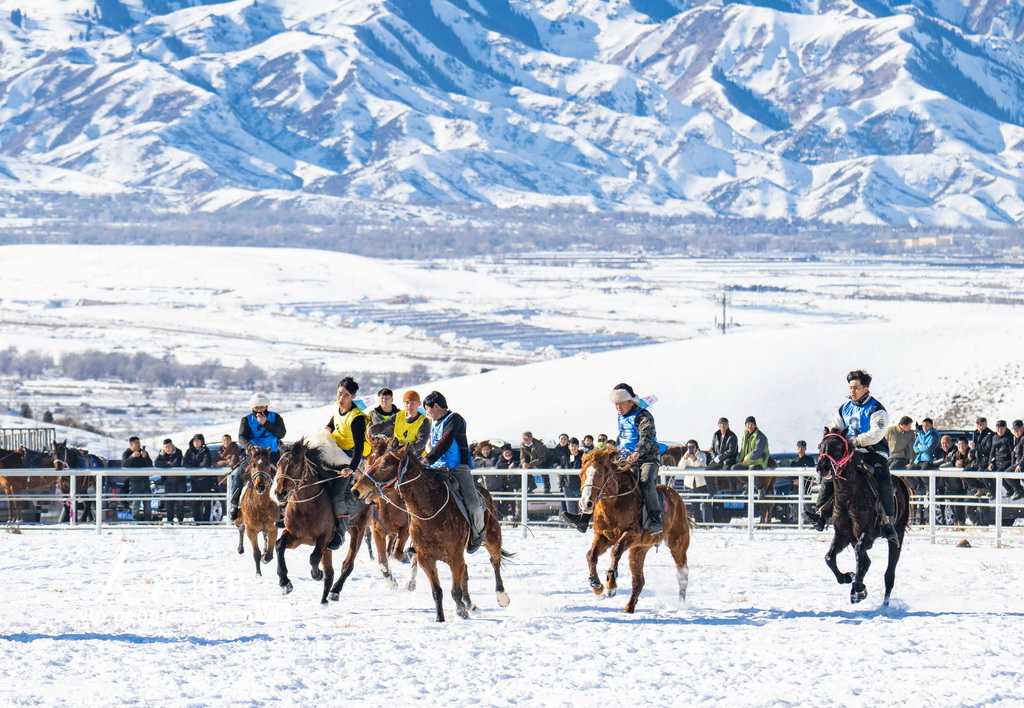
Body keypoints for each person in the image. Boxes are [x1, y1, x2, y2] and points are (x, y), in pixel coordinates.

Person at [806, 369, 898, 541]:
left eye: (856, 388)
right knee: (831, 474)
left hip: (873, 453)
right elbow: (835, 430)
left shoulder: (877, 409)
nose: (852, 392)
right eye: (850, 388)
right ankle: (821, 514)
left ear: (865, 389)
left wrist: (854, 442)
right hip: (849, 455)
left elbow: (876, 434)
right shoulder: (844, 409)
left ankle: (888, 522)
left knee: (883, 479)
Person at [563, 383, 662, 535]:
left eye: (621, 403)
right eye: (616, 404)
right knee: (602, 478)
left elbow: (646, 438)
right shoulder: (621, 417)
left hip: (647, 458)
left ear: (630, 402)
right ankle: (584, 518)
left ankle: (656, 520)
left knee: (646, 481)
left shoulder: (644, 416)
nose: (618, 407)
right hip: (624, 458)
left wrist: (636, 453)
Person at [423, 390, 484, 553]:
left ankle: (478, 532)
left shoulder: (454, 419)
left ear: (436, 406)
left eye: (428, 409)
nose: (428, 414)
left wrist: (428, 459)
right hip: (437, 466)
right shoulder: (434, 423)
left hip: (458, 468)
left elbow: (445, 441)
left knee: (473, 503)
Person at [324, 376, 371, 550]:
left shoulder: (357, 417)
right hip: (334, 449)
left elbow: (358, 448)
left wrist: (350, 469)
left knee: (337, 493)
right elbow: (330, 426)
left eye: (345, 395)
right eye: (339, 394)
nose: (341, 398)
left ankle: (339, 533)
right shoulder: (337, 408)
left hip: (349, 456)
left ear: (353, 397)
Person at [229, 392, 287, 521]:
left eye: (262, 407)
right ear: (253, 408)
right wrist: (250, 447)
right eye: (257, 407)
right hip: (254, 454)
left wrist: (265, 422)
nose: (260, 409)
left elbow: (281, 433)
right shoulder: (246, 419)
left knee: (283, 477)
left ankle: (284, 506)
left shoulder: (275, 417)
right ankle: (234, 504)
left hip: (272, 454)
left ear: (266, 406)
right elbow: (242, 437)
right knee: (239, 474)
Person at [732, 416, 771, 498]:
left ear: (755, 425)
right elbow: (743, 450)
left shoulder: (760, 436)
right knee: (734, 468)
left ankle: (760, 489)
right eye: (748, 424)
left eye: (751, 424)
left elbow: (758, 451)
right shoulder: (745, 435)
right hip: (749, 462)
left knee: (751, 471)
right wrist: (739, 460)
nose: (750, 426)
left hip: (759, 461)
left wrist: (747, 459)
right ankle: (748, 485)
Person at [184, 433, 215, 523]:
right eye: (194, 441)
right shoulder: (189, 451)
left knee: (207, 501)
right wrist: (194, 467)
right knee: (194, 502)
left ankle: (206, 521)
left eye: (198, 441)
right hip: (194, 480)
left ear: (202, 442)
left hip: (205, 479)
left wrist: (195, 467)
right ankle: (197, 520)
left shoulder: (206, 451)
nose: (196, 442)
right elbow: (184, 462)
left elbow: (206, 463)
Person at [121, 436, 153, 522]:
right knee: (136, 503)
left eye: (139, 443)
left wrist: (145, 457)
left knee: (147, 503)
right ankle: (136, 521)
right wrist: (132, 456)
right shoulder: (126, 453)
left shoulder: (143, 452)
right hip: (135, 481)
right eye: (136, 443)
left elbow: (150, 465)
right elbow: (124, 464)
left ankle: (148, 521)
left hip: (145, 480)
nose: (139, 445)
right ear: (131, 444)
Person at [155, 438, 185, 524]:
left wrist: (165, 463)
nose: (168, 449)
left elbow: (175, 463)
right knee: (169, 502)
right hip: (168, 481)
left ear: (172, 446)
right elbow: (156, 463)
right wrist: (167, 462)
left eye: (169, 447)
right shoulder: (162, 453)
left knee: (180, 502)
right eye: (166, 447)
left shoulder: (178, 452)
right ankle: (170, 520)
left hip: (179, 481)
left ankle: (180, 520)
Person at [707, 417, 739, 497]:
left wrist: (720, 458)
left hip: (728, 460)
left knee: (727, 471)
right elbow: (712, 448)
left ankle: (733, 491)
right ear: (718, 425)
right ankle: (712, 491)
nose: (723, 425)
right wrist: (714, 457)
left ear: (728, 425)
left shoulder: (732, 436)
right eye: (721, 423)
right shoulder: (716, 435)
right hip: (717, 460)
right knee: (707, 471)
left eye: (725, 423)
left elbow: (731, 451)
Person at [989, 420, 1022, 499]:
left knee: (1002, 473)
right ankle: (992, 491)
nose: (1000, 430)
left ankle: (1015, 489)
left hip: (1006, 460)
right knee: (987, 474)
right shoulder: (994, 437)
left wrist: (1013, 463)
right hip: (997, 460)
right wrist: (991, 462)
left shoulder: (1009, 437)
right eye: (998, 428)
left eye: (1002, 428)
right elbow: (992, 451)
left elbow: (1012, 452)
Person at [392, 390, 430, 455]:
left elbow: (422, 442)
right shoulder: (399, 415)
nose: (409, 406)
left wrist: (406, 449)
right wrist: (371, 430)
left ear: (418, 404)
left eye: (412, 403)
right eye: (407, 403)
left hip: (416, 455)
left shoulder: (424, 421)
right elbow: (383, 425)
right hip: (398, 452)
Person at [968, 417, 995, 497]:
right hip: (977, 459)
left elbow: (988, 449)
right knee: (965, 474)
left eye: (981, 424)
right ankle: (981, 487)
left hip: (985, 459)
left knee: (980, 475)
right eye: (978, 424)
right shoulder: (975, 433)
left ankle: (990, 489)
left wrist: (975, 447)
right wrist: (970, 452)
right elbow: (973, 445)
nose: (979, 426)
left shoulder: (990, 434)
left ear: (986, 424)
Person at [559, 437, 584, 516]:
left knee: (582, 507)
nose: (573, 448)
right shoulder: (564, 457)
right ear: (569, 446)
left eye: (575, 445)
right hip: (568, 485)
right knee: (570, 509)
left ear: (578, 446)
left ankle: (582, 525)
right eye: (571, 446)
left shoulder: (583, 456)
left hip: (580, 485)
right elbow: (561, 472)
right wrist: (561, 484)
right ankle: (571, 526)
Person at [1010, 421, 1024, 501]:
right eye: (1015, 430)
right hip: (1018, 463)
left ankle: (1019, 491)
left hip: (1021, 464)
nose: (1016, 432)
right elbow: (1014, 452)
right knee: (1007, 474)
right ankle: (1018, 490)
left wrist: (1020, 464)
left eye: (1018, 429)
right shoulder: (1017, 438)